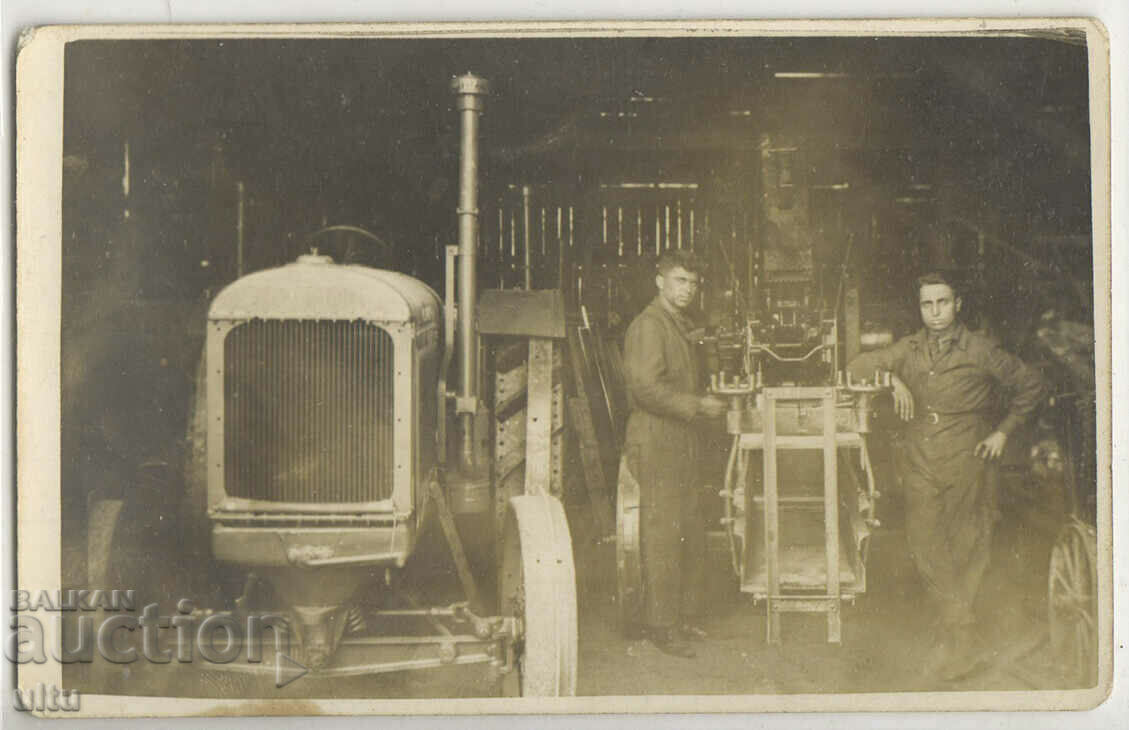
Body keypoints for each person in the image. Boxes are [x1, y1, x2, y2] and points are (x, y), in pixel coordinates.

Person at [848, 271, 1045, 681]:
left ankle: (954, 638)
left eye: (942, 302)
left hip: (966, 455)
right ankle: (964, 633)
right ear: (919, 307)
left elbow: (1032, 384)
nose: (935, 312)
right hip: (920, 456)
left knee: (965, 546)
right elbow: (858, 365)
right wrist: (892, 378)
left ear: (958, 305)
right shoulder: (910, 348)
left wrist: (1002, 431)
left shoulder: (980, 349)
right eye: (927, 304)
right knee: (924, 543)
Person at [621, 250, 727, 658]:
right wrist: (698, 405)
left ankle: (681, 617)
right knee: (663, 533)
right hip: (657, 437)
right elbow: (644, 388)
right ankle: (662, 626)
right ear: (659, 281)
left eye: (693, 282)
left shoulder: (678, 325)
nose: (687, 289)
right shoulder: (650, 326)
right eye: (680, 280)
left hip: (679, 438)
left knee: (687, 528)